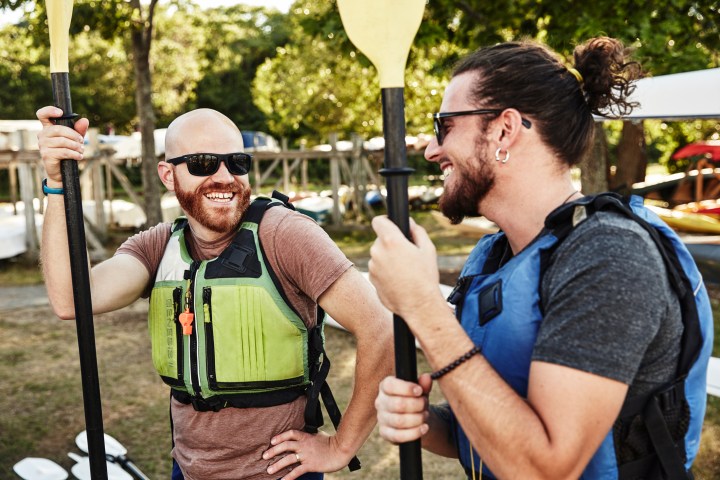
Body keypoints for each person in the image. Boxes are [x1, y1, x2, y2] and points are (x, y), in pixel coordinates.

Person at [368, 37, 714, 479]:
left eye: (445, 126)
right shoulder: (494, 256)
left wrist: (423, 308)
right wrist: (428, 425)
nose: (432, 151)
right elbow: (488, 427)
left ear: (504, 130)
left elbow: (547, 468)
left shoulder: (608, 257)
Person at [36, 107, 394, 480]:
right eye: (203, 163)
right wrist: (57, 185)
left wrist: (341, 446)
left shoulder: (285, 235)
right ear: (167, 175)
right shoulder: (159, 247)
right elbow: (71, 299)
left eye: (237, 162)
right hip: (188, 468)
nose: (225, 177)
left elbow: (380, 328)